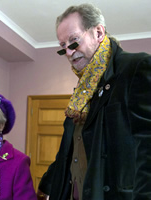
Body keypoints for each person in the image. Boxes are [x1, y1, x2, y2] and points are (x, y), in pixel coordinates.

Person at [37, 3, 151, 200]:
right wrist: (47, 185)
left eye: (73, 42)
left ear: (98, 32)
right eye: (63, 47)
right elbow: (68, 147)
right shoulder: (81, 92)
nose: (69, 53)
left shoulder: (135, 68)